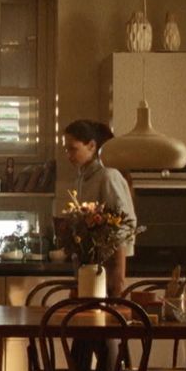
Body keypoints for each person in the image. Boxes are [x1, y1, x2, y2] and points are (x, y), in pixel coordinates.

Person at [62, 119, 138, 294]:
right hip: (88, 260)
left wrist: (117, 276)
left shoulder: (108, 175)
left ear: (92, 146)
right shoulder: (82, 178)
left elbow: (124, 223)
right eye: (66, 149)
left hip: (110, 261)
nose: (69, 155)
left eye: (73, 148)